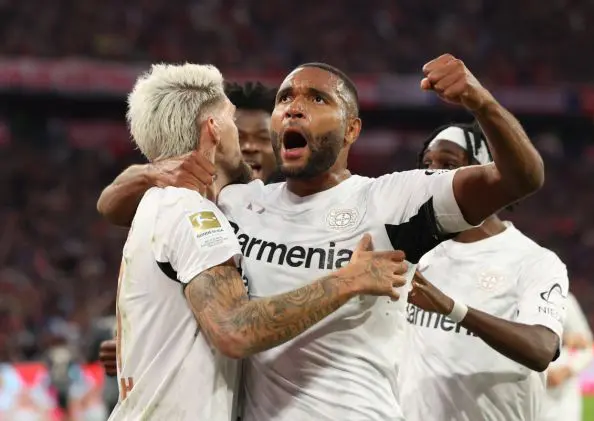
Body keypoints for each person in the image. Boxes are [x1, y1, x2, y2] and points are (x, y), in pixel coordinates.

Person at [97, 54, 546, 421]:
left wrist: (480, 102)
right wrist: (151, 171)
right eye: (285, 97)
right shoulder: (238, 204)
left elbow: (519, 179)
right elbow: (114, 208)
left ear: (351, 129)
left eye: (316, 98)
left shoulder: (391, 201)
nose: (294, 106)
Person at [107, 63, 409, 421]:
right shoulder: (193, 214)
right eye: (233, 121)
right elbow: (236, 331)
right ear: (214, 129)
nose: (249, 139)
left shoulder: (157, 202)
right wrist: (348, 280)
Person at [97, 81, 281, 381]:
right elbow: (108, 205)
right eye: (240, 134)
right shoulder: (184, 199)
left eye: (262, 137)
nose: (249, 146)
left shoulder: (284, 206)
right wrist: (150, 173)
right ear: (215, 132)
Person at [402, 122, 569, 421]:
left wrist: (451, 308)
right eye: (427, 163)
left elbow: (542, 348)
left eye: (448, 164)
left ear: (484, 173)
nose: (431, 173)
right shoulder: (417, 252)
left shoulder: (533, 261)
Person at [540, 293, 594, 421]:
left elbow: (587, 346)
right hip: (531, 390)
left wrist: (567, 371)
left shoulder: (566, 300)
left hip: (565, 397)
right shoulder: (519, 296)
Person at [224, 81, 281, 183]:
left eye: (263, 138)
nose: (250, 147)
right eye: (238, 137)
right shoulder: (194, 197)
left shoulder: (303, 196)